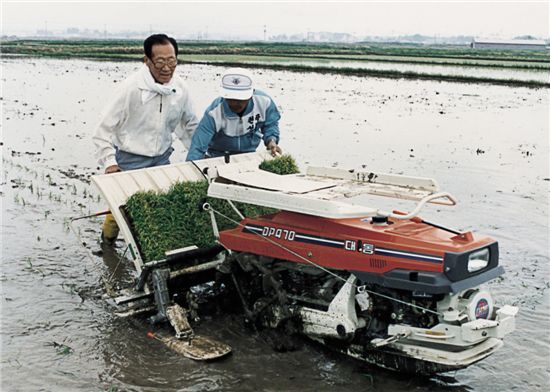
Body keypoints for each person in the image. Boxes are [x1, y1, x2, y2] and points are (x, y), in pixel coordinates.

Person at [93, 33, 198, 243]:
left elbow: (190, 124)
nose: (167, 68)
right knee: (120, 209)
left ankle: (152, 249)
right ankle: (107, 244)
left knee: (158, 206)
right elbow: (102, 129)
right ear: (147, 61)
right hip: (130, 158)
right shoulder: (130, 88)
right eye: (160, 62)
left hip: (161, 158)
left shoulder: (180, 88)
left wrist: (201, 153)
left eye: (172, 61)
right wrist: (110, 163)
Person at [186, 67, 282, 161]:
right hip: (218, 156)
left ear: (251, 94)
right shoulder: (214, 113)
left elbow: (270, 124)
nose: (235, 103)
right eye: (231, 98)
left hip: (249, 155)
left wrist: (271, 140)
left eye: (241, 99)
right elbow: (198, 146)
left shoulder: (264, 102)